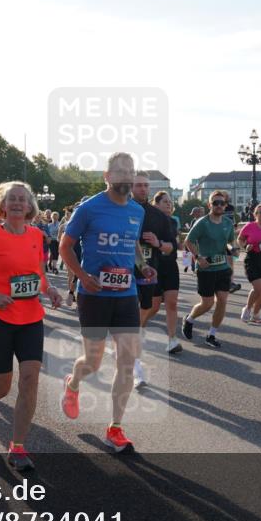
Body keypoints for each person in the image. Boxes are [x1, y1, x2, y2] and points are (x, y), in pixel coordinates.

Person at [0, 181, 62, 470]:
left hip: (30, 317)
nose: (17, 203)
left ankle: (17, 447)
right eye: (11, 199)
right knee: (2, 387)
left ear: (30, 206)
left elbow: (37, 271)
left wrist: (49, 290)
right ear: (2, 206)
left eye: (22, 199)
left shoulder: (36, 235)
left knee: (30, 380)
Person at [59, 152, 155, 452]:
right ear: (107, 176)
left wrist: (141, 265)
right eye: (120, 171)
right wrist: (83, 276)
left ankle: (115, 427)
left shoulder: (137, 212)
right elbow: (65, 247)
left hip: (126, 295)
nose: (126, 176)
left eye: (131, 171)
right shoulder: (89, 209)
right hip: (94, 295)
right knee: (93, 362)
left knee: (126, 362)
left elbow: (134, 244)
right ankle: (73, 383)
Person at [133, 177, 180, 388]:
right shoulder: (120, 208)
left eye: (145, 185)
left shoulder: (157, 217)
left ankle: (130, 354)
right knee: (128, 316)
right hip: (121, 271)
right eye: (137, 185)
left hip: (147, 272)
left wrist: (158, 242)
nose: (142, 189)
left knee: (142, 312)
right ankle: (134, 366)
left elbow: (171, 247)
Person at [182, 191, 236, 348]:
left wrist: (233, 253)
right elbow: (188, 241)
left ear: (225, 205)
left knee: (222, 301)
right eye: (215, 203)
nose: (219, 205)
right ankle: (190, 319)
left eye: (222, 203)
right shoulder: (202, 223)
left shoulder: (227, 223)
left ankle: (211, 334)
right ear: (210, 205)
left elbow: (231, 244)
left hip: (223, 268)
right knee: (207, 304)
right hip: (206, 269)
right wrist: (198, 257)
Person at [147, 191, 184, 355]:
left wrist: (164, 244)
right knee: (153, 307)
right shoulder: (148, 221)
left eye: (170, 201)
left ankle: (172, 339)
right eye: (164, 201)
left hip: (170, 266)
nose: (169, 204)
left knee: (172, 302)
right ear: (155, 204)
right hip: (154, 266)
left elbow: (174, 246)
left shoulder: (173, 222)